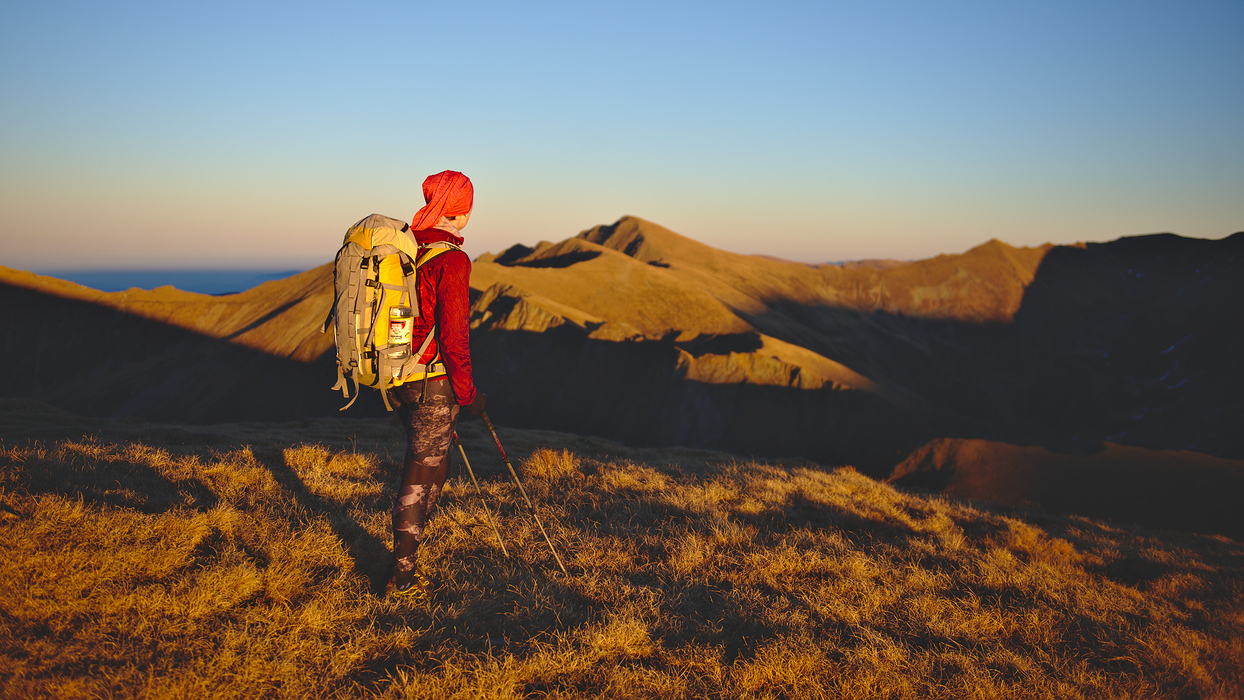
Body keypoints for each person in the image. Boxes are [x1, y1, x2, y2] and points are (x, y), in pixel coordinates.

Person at [385, 170, 486, 601]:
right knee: (421, 473)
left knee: (434, 464)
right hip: (433, 382)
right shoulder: (451, 260)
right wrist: (468, 394)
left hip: (401, 377)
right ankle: (401, 579)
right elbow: (454, 336)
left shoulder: (410, 248)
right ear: (457, 210)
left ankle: (408, 559)